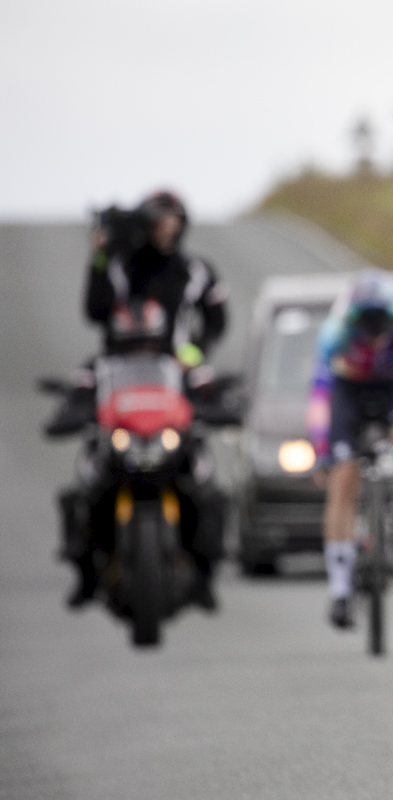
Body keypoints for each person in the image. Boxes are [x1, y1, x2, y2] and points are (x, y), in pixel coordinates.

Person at [52, 189, 230, 610]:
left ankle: (204, 572)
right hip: (121, 376)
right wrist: (98, 256)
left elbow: (218, 321)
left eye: (174, 221)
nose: (167, 229)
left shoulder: (196, 271)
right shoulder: (117, 267)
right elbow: (94, 311)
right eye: (158, 221)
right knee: (87, 480)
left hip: (174, 374)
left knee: (205, 480)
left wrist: (197, 361)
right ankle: (86, 570)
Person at [307, 270, 393, 630]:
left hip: (391, 389)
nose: (376, 339)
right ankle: (339, 590)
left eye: (383, 329)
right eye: (367, 329)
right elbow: (319, 397)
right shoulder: (334, 334)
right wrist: (322, 450)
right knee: (343, 478)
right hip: (347, 393)